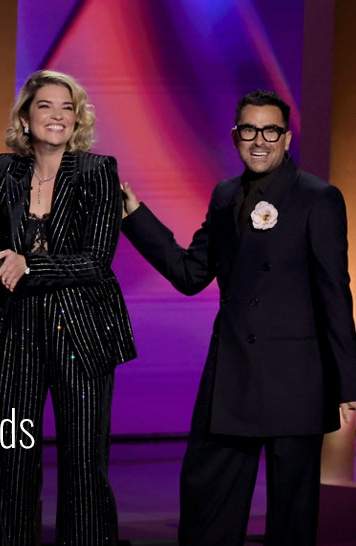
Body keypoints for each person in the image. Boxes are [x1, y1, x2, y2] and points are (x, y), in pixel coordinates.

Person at [121, 89, 356, 545]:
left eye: (271, 131)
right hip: (231, 378)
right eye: (249, 130)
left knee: (292, 520)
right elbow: (191, 273)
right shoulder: (225, 194)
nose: (260, 141)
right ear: (235, 136)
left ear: (287, 138)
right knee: (209, 509)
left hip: (295, 382)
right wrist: (135, 216)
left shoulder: (318, 197)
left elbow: (335, 292)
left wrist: (348, 382)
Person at [0, 70, 137, 545]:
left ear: (77, 118)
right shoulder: (3, 170)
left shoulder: (98, 170)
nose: (57, 116)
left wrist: (27, 266)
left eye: (67, 107)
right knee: (9, 467)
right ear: (25, 115)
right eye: (45, 106)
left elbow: (96, 260)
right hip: (14, 334)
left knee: (84, 468)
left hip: (82, 332)